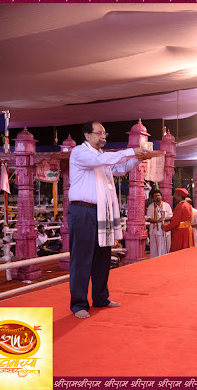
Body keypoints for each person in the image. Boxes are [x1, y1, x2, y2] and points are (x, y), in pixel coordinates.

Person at [68, 121, 153, 319]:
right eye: (99, 133)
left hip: (102, 213)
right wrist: (132, 151)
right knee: (81, 259)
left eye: (104, 133)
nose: (103, 136)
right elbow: (106, 160)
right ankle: (79, 303)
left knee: (102, 257)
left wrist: (137, 158)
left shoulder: (101, 158)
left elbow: (120, 169)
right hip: (83, 211)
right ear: (87, 135)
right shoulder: (81, 153)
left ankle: (100, 297)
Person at [145, 190, 173, 258]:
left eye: (158, 195)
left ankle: (165, 260)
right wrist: (157, 221)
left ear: (161, 196)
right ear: (153, 198)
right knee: (154, 248)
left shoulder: (166, 205)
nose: (157, 197)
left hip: (165, 230)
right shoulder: (151, 206)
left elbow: (171, 216)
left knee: (166, 247)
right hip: (154, 231)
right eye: (155, 196)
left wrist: (163, 219)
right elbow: (148, 218)